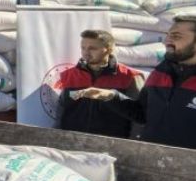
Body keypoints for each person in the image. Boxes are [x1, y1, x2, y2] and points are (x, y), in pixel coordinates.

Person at [80, 18, 196, 149]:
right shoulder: (160, 72)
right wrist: (112, 97)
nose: (166, 41)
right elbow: (142, 113)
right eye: (168, 35)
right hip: (151, 160)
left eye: (176, 36)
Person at [56, 29, 143, 138]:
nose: (86, 52)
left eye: (92, 48)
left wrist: (132, 144)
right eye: (83, 48)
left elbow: (139, 116)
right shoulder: (70, 75)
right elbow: (61, 111)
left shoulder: (129, 77)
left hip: (112, 146)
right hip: (72, 144)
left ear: (109, 49)